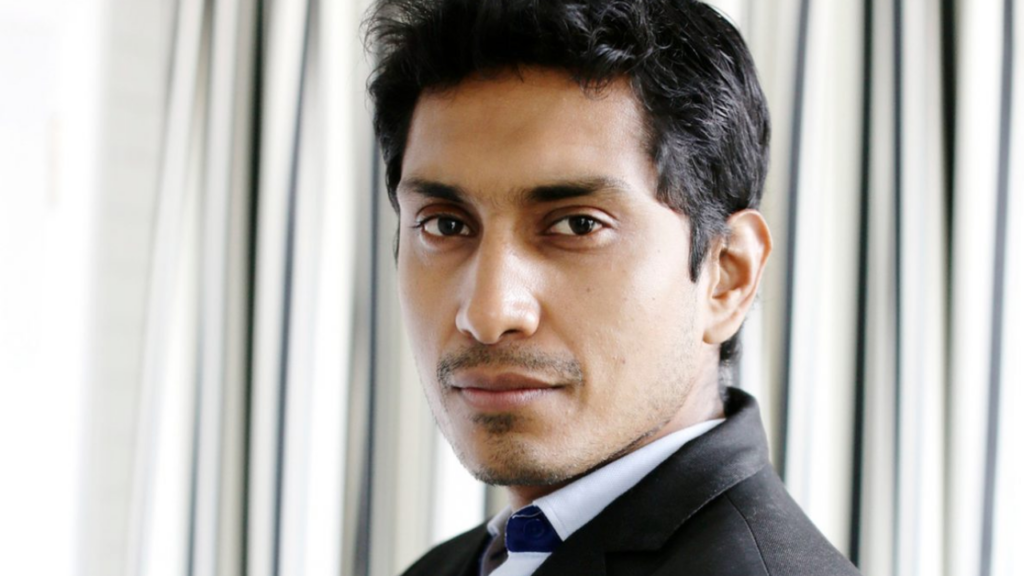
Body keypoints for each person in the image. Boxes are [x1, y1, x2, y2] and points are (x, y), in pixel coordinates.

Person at [365, 0, 861, 574]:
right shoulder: (450, 567)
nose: (488, 311)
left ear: (728, 276)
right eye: (445, 225)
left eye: (578, 225)